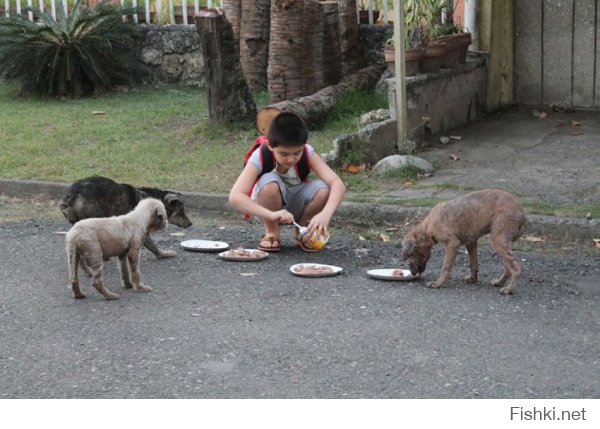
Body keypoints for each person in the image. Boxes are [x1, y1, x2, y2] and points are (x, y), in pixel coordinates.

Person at [229, 112, 347, 252]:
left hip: (297, 203)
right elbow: (235, 196)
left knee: (324, 190)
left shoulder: (308, 153)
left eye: (297, 153)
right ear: (271, 146)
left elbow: (337, 183)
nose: (291, 160)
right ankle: (272, 232)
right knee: (269, 185)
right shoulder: (260, 156)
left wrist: (325, 215)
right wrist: (272, 215)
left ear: (304, 145)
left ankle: (303, 231)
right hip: (267, 208)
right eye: (284, 154)